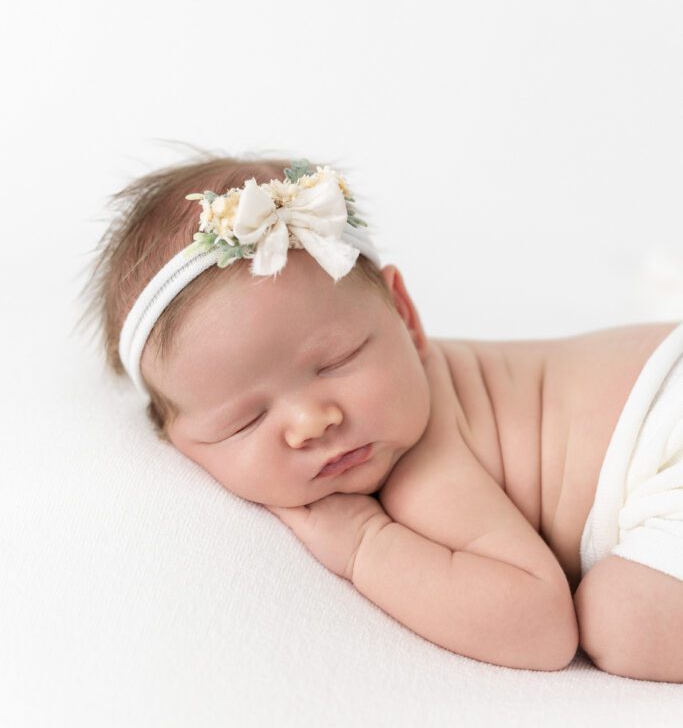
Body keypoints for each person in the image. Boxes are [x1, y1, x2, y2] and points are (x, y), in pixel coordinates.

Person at [77, 145, 683, 682]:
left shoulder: (425, 462)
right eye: (246, 420)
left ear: (405, 317)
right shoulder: (403, 389)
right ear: (178, 441)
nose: (311, 422)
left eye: (336, 362)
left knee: (624, 618)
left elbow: (540, 628)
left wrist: (365, 545)